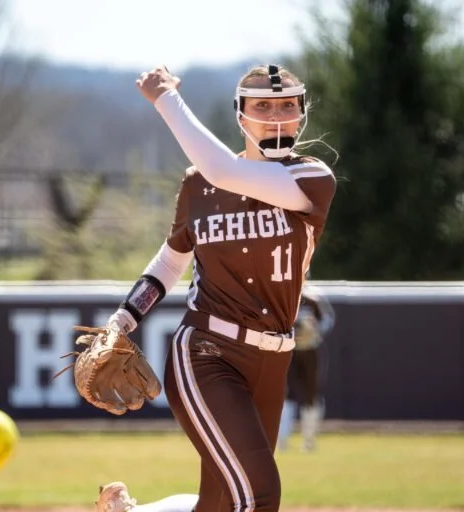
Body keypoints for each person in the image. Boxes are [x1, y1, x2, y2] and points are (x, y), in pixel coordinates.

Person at [94, 63, 337, 512]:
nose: (276, 114)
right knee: (260, 494)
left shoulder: (312, 177)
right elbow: (170, 261)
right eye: (262, 104)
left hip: (273, 358)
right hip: (208, 352)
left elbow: (225, 170)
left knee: (221, 504)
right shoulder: (199, 184)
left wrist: (167, 97)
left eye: (287, 105)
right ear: (240, 114)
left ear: (302, 114)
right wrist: (122, 320)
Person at [277, 288, 335, 452]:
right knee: (285, 393)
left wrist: (314, 331)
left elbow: (328, 319)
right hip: (289, 350)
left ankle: (309, 439)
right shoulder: (284, 297)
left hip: (310, 350)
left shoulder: (314, 299)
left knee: (311, 395)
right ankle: (282, 439)